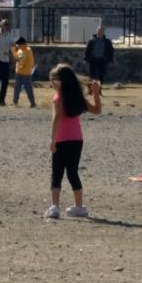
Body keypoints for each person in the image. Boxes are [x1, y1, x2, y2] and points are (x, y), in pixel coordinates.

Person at [45, 63, 103, 219]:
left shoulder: (58, 98)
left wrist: (52, 140)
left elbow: (56, 119)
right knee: (72, 172)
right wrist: (96, 93)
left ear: (60, 82)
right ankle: (79, 207)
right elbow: (97, 111)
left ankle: (54, 206)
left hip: (62, 140)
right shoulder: (77, 98)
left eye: (53, 81)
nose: (51, 85)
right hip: (77, 140)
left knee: (56, 173)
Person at [11, 36, 37, 108]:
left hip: (26, 73)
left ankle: (33, 103)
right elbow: (17, 58)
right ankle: (15, 102)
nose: (17, 46)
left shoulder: (28, 50)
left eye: (19, 44)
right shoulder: (20, 49)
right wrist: (13, 50)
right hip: (18, 72)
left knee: (28, 89)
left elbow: (31, 62)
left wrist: (25, 67)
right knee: (17, 88)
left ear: (23, 44)